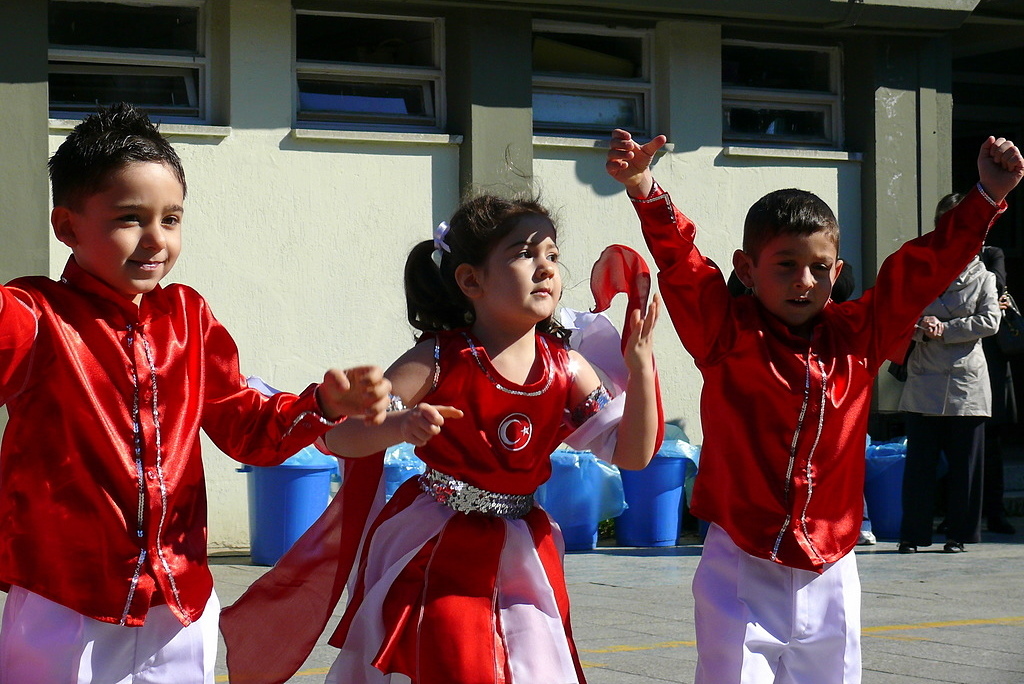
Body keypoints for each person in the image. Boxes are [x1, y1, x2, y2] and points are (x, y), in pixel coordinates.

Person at [606, 127, 1023, 684]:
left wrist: (986, 198)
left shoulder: (859, 334)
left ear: (838, 269)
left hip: (833, 567)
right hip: (741, 562)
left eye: (819, 267)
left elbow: (923, 266)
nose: (804, 281)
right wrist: (643, 187)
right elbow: (683, 264)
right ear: (747, 268)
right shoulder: (725, 333)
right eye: (785, 265)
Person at [0, 102, 390, 683]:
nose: (156, 239)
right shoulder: (33, 314)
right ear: (66, 227)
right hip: (65, 602)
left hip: (178, 602)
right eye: (129, 218)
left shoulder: (188, 317)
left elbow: (248, 428)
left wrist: (322, 406)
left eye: (172, 218)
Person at [221, 194, 663, 683]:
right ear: (470, 280)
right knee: (455, 661)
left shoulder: (568, 368)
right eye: (524, 254)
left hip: (525, 548)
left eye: (553, 256)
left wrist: (641, 366)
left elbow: (634, 453)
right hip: (436, 542)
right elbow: (343, 439)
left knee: (535, 667)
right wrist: (396, 426)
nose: (545, 269)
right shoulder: (437, 359)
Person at [895, 194, 1001, 554]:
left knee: (965, 467)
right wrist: (922, 326)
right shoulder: (919, 268)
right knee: (919, 465)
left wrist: (947, 328)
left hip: (965, 381)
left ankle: (960, 533)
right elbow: (896, 313)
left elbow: (991, 320)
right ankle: (912, 533)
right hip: (925, 374)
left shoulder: (983, 276)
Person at [980, 244, 1018, 534]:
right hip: (952, 359)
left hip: (990, 359)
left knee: (991, 442)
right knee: (956, 443)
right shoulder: (940, 253)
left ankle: (995, 511)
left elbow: (999, 282)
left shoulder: (992, 253)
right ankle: (959, 512)